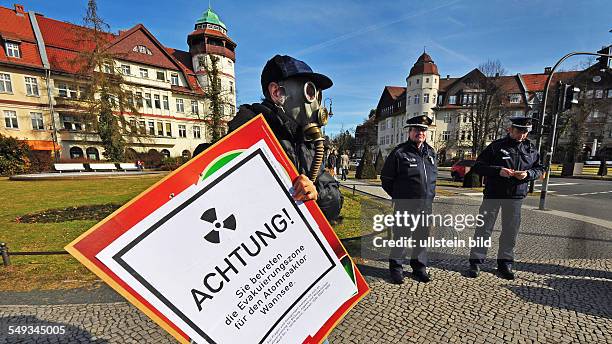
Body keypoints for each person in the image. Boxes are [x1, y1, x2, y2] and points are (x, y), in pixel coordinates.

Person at [227, 54, 343, 223]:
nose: (317, 105)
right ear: (276, 92)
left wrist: (316, 194)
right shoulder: (248, 132)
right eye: (310, 92)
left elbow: (335, 204)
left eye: (318, 96)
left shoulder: (307, 142)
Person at [466, 116, 545, 280]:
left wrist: (528, 174)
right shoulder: (496, 147)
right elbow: (479, 166)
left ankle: (505, 264)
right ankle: (476, 262)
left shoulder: (531, 149)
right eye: (519, 131)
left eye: (525, 132)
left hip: (515, 196)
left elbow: (540, 169)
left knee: (510, 232)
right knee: (484, 229)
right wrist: (498, 171)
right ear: (511, 129)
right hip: (493, 195)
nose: (522, 135)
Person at [381, 115, 437, 283]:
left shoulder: (431, 152)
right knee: (401, 237)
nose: (420, 133)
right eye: (417, 130)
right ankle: (396, 268)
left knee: (421, 237)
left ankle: (419, 267)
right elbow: (386, 180)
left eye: (423, 130)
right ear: (410, 132)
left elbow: (432, 179)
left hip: (426, 206)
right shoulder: (399, 153)